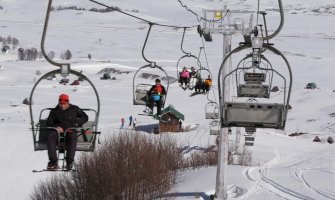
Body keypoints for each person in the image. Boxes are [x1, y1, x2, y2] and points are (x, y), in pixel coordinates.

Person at [46, 94, 88, 170]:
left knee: (73, 136)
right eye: (61, 104)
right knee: (51, 135)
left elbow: (85, 117)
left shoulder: (74, 109)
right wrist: (56, 127)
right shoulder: (54, 111)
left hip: (70, 130)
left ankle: (69, 162)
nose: (62, 106)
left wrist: (76, 123)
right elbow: (49, 123)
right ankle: (53, 162)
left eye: (64, 104)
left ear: (68, 103)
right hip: (58, 132)